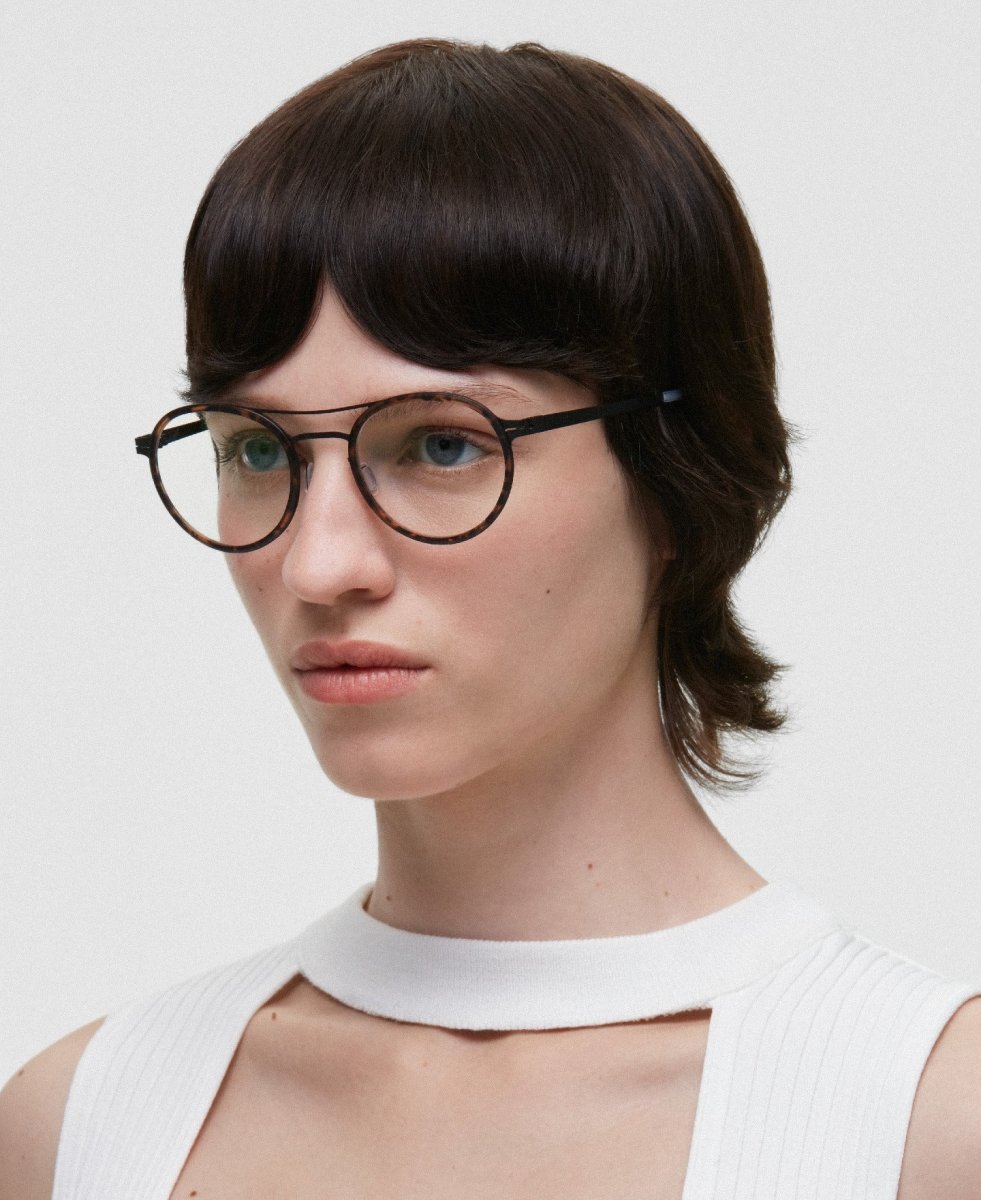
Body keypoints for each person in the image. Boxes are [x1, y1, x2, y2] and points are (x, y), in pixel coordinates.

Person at [1, 38, 979, 1200]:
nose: (319, 562)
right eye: (258, 451)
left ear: (680, 472)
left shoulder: (925, 1127)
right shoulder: (83, 1126)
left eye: (442, 444)